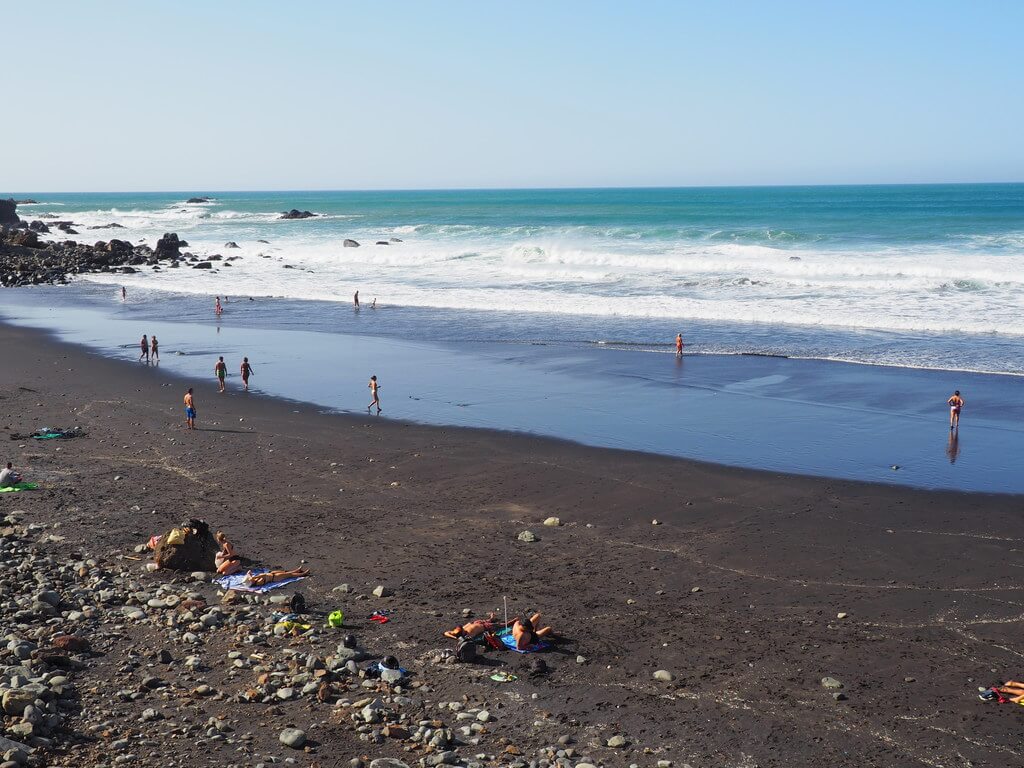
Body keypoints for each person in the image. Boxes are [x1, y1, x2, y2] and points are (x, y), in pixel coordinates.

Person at [243, 566, 310, 587]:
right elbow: (263, 577)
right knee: (290, 575)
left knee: (286, 573)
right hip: (274, 577)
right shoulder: (258, 582)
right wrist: (254, 577)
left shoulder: (254, 579)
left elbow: (249, 572)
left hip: (272, 574)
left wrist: (250, 576)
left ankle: (297, 570)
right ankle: (303, 574)